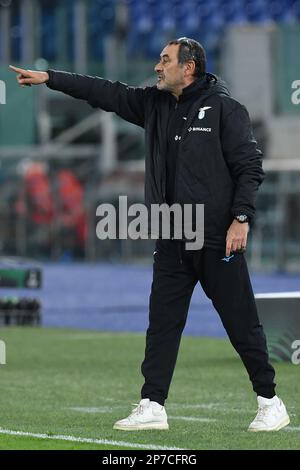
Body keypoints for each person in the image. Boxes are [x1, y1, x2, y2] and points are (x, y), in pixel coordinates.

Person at [10, 37, 290, 432]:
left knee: (241, 324)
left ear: (188, 67)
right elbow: (105, 92)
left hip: (216, 238)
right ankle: (153, 404)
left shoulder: (226, 109)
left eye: (165, 60)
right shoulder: (153, 105)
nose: (158, 67)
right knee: (162, 324)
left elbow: (250, 167)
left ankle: (270, 401)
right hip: (172, 236)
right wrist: (51, 78)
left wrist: (240, 218)